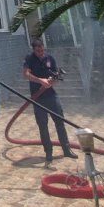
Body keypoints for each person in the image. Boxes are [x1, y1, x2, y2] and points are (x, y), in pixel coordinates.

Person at [23, 38, 75, 166]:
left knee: (60, 122)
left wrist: (52, 81)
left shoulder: (50, 59)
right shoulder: (29, 59)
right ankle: (48, 152)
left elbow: (56, 76)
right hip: (37, 98)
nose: (40, 53)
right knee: (43, 125)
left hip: (51, 96)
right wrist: (41, 81)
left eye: (42, 50)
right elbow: (26, 74)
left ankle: (66, 149)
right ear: (33, 50)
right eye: (37, 51)